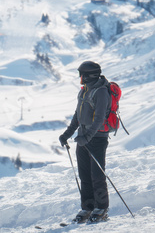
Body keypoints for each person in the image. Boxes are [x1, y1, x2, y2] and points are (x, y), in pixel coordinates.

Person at [59, 61, 112, 223]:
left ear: (88, 75)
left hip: (97, 138)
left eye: (81, 74)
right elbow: (77, 116)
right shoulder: (84, 91)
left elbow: (100, 118)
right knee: (84, 175)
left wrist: (86, 137)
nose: (80, 77)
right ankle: (87, 208)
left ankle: (101, 208)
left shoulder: (101, 92)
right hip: (83, 138)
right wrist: (66, 134)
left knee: (97, 175)